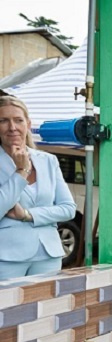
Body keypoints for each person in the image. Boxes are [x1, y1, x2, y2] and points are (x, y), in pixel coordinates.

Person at [0, 95, 76, 279]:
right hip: (7, 256)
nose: (12, 127)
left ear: (28, 123)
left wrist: (27, 215)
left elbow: (68, 209)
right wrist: (22, 171)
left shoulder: (48, 160)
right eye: (3, 121)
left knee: (47, 307)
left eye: (18, 120)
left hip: (49, 254)